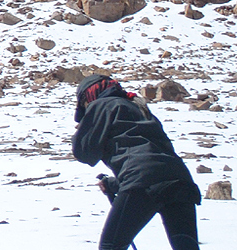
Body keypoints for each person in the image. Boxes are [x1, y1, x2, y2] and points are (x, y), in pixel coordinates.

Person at [72, 75, 200, 250]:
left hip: (141, 182)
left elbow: (84, 153)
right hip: (180, 180)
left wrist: (85, 125)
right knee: (186, 246)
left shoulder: (103, 105)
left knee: (111, 247)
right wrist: (113, 183)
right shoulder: (140, 108)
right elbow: (154, 161)